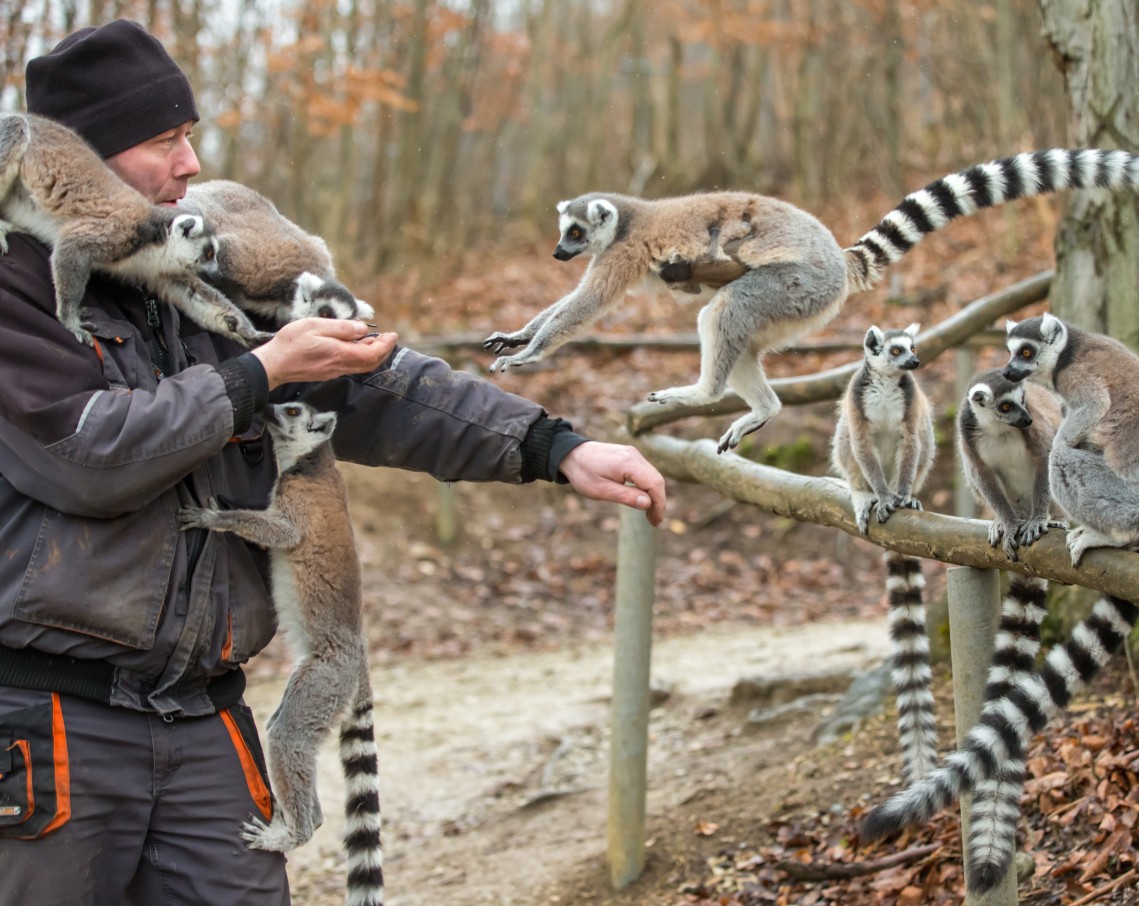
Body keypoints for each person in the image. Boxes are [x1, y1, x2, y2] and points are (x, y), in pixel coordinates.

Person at [0, 19, 665, 904]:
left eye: (191, 136)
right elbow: (87, 456)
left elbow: (375, 381)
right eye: (164, 142)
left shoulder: (206, 267)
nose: (191, 165)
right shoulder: (25, 290)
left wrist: (554, 446)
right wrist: (260, 371)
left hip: (204, 714)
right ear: (86, 160)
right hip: (51, 718)